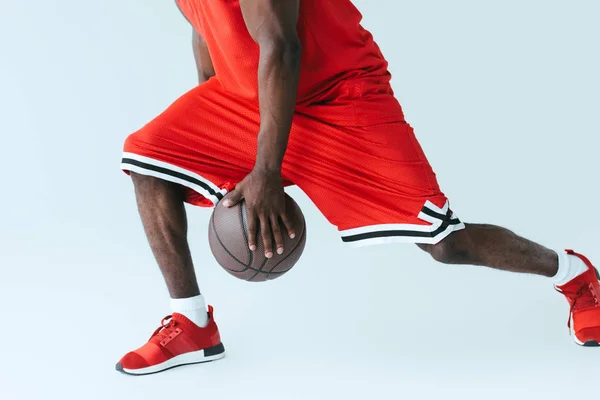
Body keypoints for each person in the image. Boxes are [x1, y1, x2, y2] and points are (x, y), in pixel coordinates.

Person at [116, 0, 599, 375]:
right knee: (148, 157)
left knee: (447, 243)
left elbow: (283, 46)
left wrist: (264, 171)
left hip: (342, 97)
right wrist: (218, 148)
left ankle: (576, 276)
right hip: (246, 95)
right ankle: (193, 323)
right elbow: (206, 36)